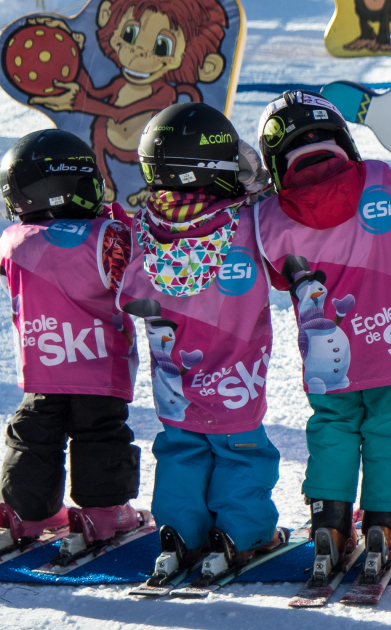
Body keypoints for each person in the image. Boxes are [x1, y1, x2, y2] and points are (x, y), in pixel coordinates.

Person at [254, 90, 391, 586]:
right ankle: (385, 523)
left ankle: (330, 525)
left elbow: (276, 276)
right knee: (389, 427)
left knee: (333, 426)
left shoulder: (269, 215)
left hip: (329, 358)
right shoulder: (379, 177)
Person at [121, 103, 282, 584]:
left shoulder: (143, 226)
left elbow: (127, 292)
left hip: (175, 381)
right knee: (241, 452)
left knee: (181, 451)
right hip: (235, 376)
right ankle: (241, 533)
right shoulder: (246, 222)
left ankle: (178, 536)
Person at [0, 130, 142, 559]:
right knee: (100, 435)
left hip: (43, 366)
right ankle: (103, 512)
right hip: (99, 366)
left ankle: (24, 511)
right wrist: (111, 214)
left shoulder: (13, 240)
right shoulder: (109, 235)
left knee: (33, 437)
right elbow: (134, 262)